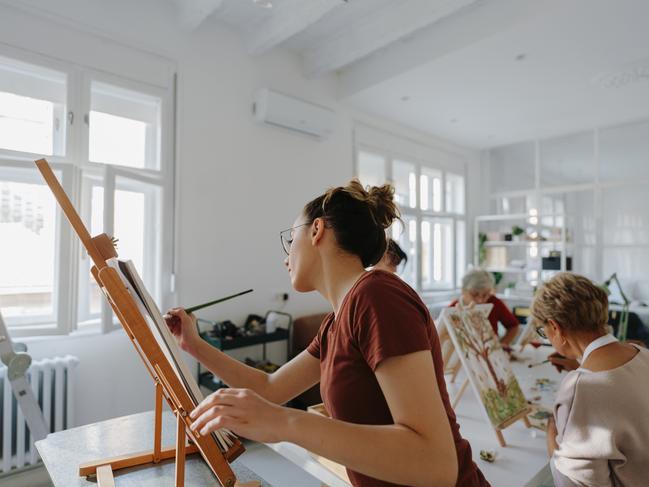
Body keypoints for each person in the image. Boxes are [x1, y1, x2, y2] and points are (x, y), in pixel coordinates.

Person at [166, 180, 488, 487]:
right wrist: (193, 344)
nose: (285, 258)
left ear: (317, 229)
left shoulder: (376, 295)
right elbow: (269, 387)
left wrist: (285, 422)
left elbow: (436, 464)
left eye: (291, 240)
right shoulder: (336, 322)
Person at [530, 272, 649, 487]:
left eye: (543, 331)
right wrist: (579, 366)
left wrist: (552, 431)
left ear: (555, 327)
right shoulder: (642, 353)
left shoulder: (580, 390)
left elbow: (573, 483)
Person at [449, 269, 520, 346]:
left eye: (485, 295)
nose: (480, 300)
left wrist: (501, 344)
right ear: (463, 290)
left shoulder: (494, 302)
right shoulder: (452, 309)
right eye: (474, 294)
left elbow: (513, 326)